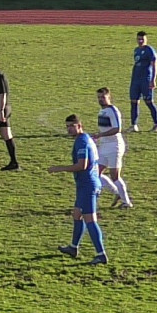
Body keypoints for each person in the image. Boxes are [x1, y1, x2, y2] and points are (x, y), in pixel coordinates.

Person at [48, 114, 109, 265]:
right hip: (86, 184)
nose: (69, 129)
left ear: (79, 125)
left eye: (71, 126)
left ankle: (101, 255)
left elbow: (82, 165)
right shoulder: (87, 138)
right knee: (77, 214)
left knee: (90, 219)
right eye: (67, 126)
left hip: (88, 185)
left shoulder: (82, 142)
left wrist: (60, 168)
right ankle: (74, 247)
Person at [93, 87, 132, 208]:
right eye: (99, 97)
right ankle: (116, 192)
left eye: (103, 97)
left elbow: (117, 129)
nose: (100, 100)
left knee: (115, 176)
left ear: (109, 97)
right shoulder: (102, 111)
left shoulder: (113, 110)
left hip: (115, 146)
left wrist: (100, 135)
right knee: (95, 173)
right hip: (104, 146)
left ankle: (127, 202)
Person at [129, 31, 157, 132]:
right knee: (134, 102)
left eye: (142, 39)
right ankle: (134, 125)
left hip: (146, 80)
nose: (140, 41)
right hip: (135, 80)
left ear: (146, 39)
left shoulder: (150, 51)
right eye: (138, 39)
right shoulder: (136, 50)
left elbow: (154, 65)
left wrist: (153, 80)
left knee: (149, 102)